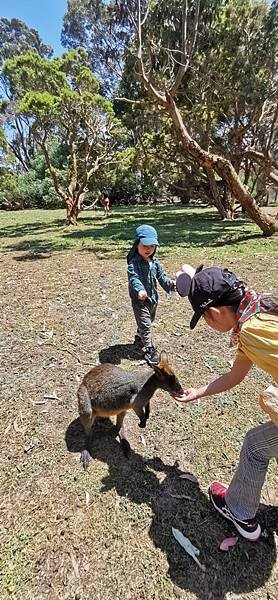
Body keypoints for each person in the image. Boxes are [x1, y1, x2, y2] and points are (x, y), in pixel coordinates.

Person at [175, 265, 278, 541]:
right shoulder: (257, 309)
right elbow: (236, 375)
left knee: (256, 447)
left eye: (206, 319)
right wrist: (199, 392)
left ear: (216, 312)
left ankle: (240, 512)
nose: (209, 325)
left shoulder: (252, 331)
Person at [127, 224, 175, 365]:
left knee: (150, 319)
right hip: (140, 300)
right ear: (137, 244)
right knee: (146, 323)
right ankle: (149, 350)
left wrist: (170, 284)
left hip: (153, 299)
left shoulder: (154, 262)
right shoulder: (133, 263)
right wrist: (140, 290)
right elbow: (133, 278)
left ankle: (139, 336)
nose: (148, 249)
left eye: (152, 246)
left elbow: (162, 277)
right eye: (145, 246)